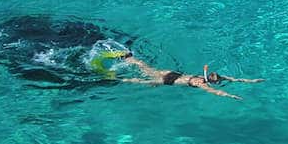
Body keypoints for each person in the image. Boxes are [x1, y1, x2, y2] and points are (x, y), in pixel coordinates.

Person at [92, 47, 264, 100]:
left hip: (173, 74)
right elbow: (217, 91)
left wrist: (250, 82)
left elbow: (231, 81)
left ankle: (128, 57)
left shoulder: (206, 80)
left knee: (145, 69)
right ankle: (117, 78)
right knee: (137, 80)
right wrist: (235, 95)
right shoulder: (203, 84)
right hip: (168, 80)